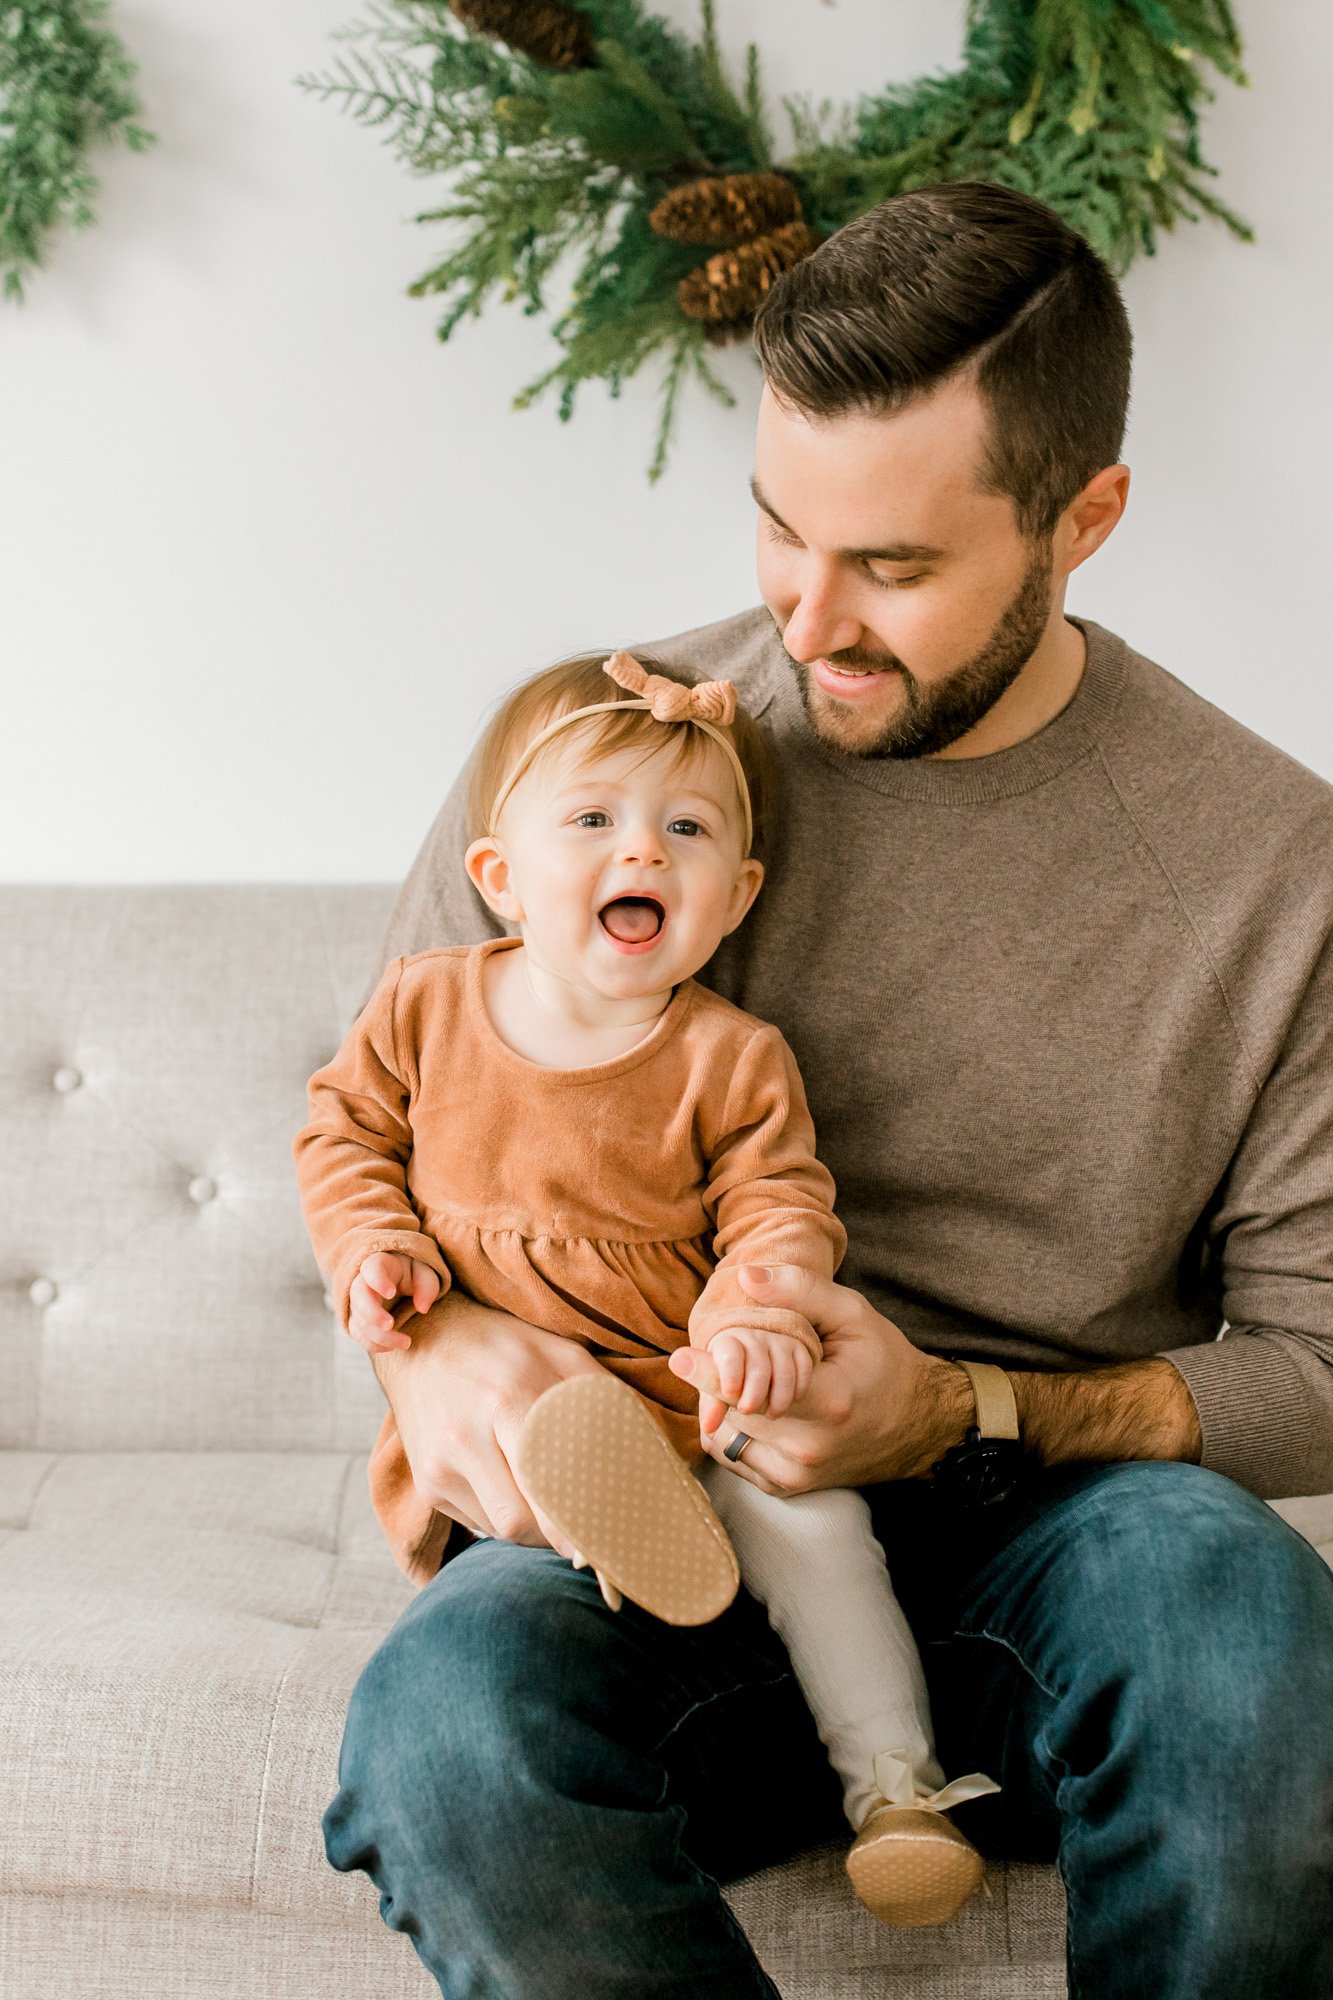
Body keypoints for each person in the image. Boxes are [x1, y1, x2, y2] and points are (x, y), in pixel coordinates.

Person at [318, 182, 1333, 1998]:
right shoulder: (610, 769)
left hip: (1056, 1535)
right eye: (781, 534)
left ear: (1080, 519)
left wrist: (961, 1408)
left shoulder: (1270, 871)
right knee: (449, 1727)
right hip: (661, 1499)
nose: (805, 621)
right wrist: (432, 1346)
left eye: (895, 565)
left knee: (1236, 1622)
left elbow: (1320, 1374)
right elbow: (380, 1123)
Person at [292, 645, 1000, 1929]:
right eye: (594, 820)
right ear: (500, 877)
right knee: (521, 1559)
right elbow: (342, 1138)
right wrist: (372, 1250)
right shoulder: (423, 1007)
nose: (644, 853)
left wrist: (758, 1308)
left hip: (692, 1395)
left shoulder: (729, 1057)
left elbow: (780, 1204)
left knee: (821, 1533)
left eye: (686, 829)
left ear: (736, 895)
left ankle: (896, 1791)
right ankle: (612, 1553)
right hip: (519, 1419)